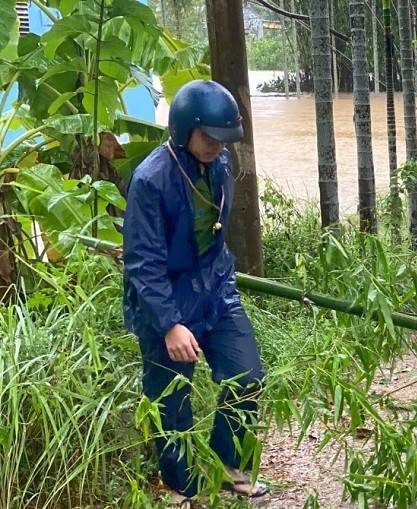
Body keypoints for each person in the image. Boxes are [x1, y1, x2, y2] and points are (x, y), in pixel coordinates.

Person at [122, 80, 268, 507]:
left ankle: (227, 465)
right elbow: (142, 264)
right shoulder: (151, 180)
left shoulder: (220, 165)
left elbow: (216, 233)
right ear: (184, 129)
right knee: (171, 400)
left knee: (248, 377)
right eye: (209, 137)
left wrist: (220, 283)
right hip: (163, 300)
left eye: (223, 140)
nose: (216, 147)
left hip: (216, 290)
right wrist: (169, 324)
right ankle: (181, 486)